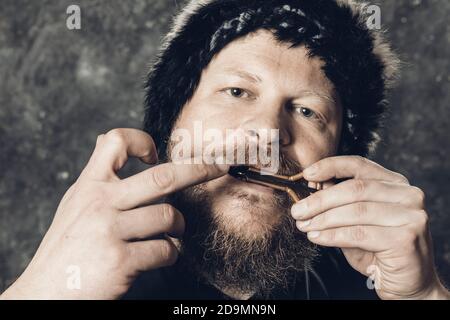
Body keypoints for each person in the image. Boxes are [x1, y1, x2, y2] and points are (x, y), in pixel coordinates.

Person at [1, 0, 449, 300]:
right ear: (171, 125)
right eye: (237, 91)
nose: (267, 132)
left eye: (309, 111)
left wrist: (425, 295)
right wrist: (42, 290)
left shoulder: (385, 286)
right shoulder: (76, 278)